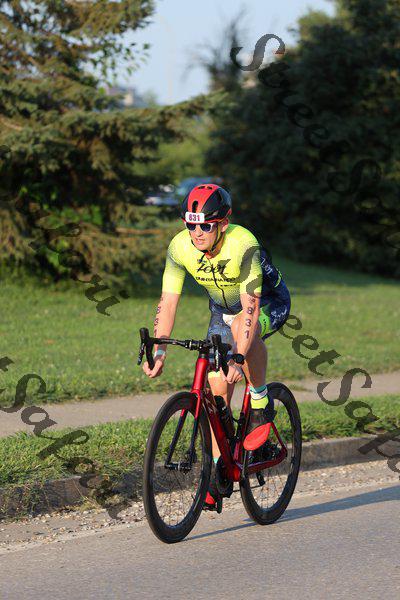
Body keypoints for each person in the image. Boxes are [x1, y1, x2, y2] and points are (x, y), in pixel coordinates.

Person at [142, 183, 291, 511]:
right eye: (190, 224)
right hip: (221, 311)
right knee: (215, 389)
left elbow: (250, 308)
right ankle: (218, 468)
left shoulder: (244, 245)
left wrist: (239, 355)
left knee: (241, 332)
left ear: (223, 223)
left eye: (206, 226)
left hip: (266, 302)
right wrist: (160, 350)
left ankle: (261, 403)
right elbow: (168, 301)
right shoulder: (179, 247)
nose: (196, 233)